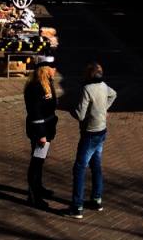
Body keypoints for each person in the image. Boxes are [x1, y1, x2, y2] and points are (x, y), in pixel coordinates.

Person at [65, 62, 117, 219]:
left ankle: (77, 206)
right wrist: (104, 109)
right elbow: (113, 94)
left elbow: (80, 114)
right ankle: (96, 199)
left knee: (79, 168)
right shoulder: (103, 85)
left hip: (89, 132)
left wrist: (71, 110)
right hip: (102, 130)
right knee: (96, 165)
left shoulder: (87, 89)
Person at [23, 58, 59, 210]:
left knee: (40, 160)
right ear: (45, 68)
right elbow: (36, 113)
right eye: (52, 67)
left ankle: (39, 187)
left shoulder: (47, 83)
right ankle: (33, 195)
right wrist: (41, 134)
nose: (55, 69)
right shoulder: (36, 87)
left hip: (47, 128)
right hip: (40, 131)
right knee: (36, 162)